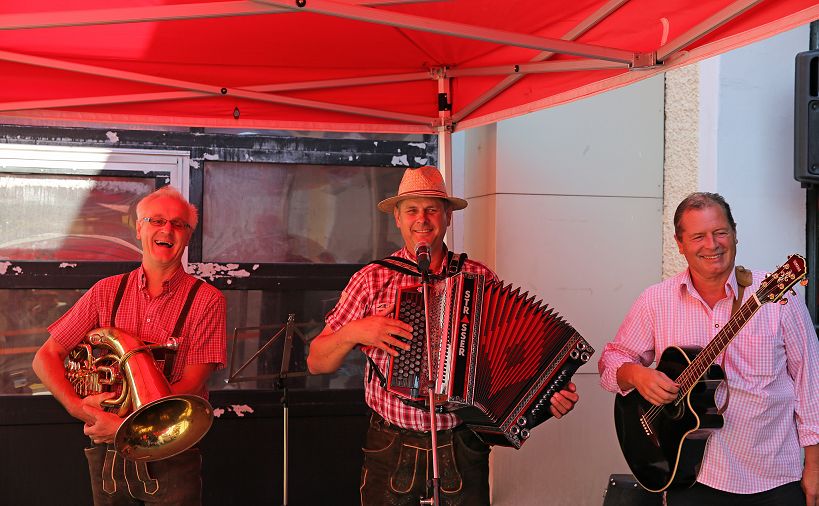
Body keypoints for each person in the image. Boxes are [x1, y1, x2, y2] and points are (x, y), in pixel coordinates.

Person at [307, 166, 579, 505]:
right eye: (412, 210)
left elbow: (509, 357)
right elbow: (317, 361)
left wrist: (545, 392)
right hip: (390, 444)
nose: (422, 219)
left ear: (447, 216)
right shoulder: (372, 279)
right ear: (397, 218)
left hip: (461, 444)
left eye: (432, 209)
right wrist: (355, 331)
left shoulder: (478, 277)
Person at [598, 192, 819, 506]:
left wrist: (814, 467)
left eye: (720, 232)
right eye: (698, 236)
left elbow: (812, 384)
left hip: (772, 479)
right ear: (680, 243)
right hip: (692, 476)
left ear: (735, 233)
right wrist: (636, 375)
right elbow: (611, 361)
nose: (712, 245)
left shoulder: (778, 298)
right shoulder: (656, 301)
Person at [32, 186, 226, 505]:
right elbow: (46, 358)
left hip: (171, 448)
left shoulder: (207, 300)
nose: (167, 230)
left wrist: (121, 426)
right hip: (108, 448)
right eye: (156, 220)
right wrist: (79, 408)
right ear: (139, 228)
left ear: (188, 235)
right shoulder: (105, 292)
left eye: (178, 224)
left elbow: (190, 386)